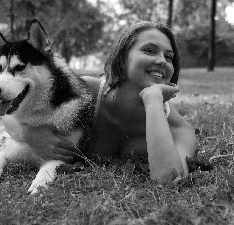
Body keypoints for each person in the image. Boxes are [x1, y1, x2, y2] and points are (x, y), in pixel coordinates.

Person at [21, 21, 197, 184]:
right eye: (150, 51)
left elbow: (168, 180)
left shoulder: (180, 130)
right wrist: (28, 132)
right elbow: (12, 109)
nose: (162, 61)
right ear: (122, 58)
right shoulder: (86, 91)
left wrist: (153, 100)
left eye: (169, 57)